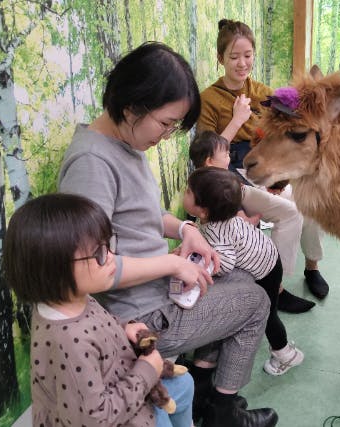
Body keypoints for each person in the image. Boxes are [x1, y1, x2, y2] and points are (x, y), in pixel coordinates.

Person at [58, 42, 278, 427]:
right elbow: (88, 270)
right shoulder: (91, 164)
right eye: (165, 123)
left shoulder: (124, 144)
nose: (166, 135)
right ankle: (224, 412)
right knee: (256, 301)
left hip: (161, 292)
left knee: (237, 276)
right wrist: (172, 262)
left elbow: (138, 214)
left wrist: (185, 230)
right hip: (143, 314)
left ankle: (208, 389)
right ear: (131, 107)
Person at [2, 193, 194, 427]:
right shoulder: (67, 341)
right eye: (99, 254)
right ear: (55, 270)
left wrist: (125, 327)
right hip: (108, 413)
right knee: (160, 418)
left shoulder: (73, 297)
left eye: (108, 246)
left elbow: (97, 322)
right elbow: (96, 419)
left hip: (119, 384)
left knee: (185, 385)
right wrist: (146, 371)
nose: (112, 258)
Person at [197, 18, 330, 302]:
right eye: (234, 57)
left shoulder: (265, 93)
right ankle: (275, 287)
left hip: (265, 169)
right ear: (220, 58)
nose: (242, 63)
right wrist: (237, 120)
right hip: (229, 176)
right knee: (289, 213)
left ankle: (312, 266)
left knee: (309, 200)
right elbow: (206, 159)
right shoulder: (208, 99)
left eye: (248, 56)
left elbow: (288, 136)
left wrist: (281, 179)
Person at [184, 166, 305, 376]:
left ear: (203, 210)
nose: (183, 193)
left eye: (187, 191)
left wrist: (202, 266)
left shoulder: (214, 230)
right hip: (268, 256)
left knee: (268, 315)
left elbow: (227, 263)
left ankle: (285, 354)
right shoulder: (217, 217)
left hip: (266, 270)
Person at [189, 131, 315, 315]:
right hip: (240, 195)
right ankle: (277, 287)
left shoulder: (219, 174)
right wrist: (247, 216)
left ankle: (280, 280)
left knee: (295, 209)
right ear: (209, 161)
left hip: (242, 190)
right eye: (225, 154)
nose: (228, 156)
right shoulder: (208, 186)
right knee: (291, 212)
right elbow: (227, 202)